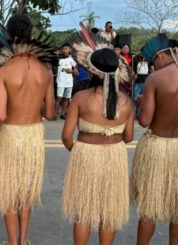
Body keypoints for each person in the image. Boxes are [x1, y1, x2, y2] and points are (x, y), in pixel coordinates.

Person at [0, 14, 56, 245]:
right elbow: (51, 114)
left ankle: (13, 243)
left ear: (9, 38)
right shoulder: (45, 71)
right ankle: (24, 241)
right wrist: (33, 101)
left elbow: (1, 115)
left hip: (11, 135)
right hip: (33, 134)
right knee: (26, 192)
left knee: (9, 191)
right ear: (31, 36)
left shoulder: (2, 71)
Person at [62, 31, 133, 244]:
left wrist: (80, 151)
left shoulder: (81, 98)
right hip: (115, 156)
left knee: (84, 210)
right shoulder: (127, 101)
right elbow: (128, 137)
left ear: (92, 70)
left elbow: (66, 136)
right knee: (108, 211)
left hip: (86, 155)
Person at [131, 33, 178, 245]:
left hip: (159, 147)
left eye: (152, 62)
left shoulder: (156, 78)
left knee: (149, 208)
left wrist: (141, 101)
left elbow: (144, 120)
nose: (152, 67)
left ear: (159, 56)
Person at [56, 45, 78, 119]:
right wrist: (73, 71)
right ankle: (55, 113)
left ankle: (63, 113)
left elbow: (75, 65)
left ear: (69, 51)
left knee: (66, 98)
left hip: (69, 82)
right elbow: (67, 70)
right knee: (59, 97)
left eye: (66, 49)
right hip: (61, 81)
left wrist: (75, 69)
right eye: (64, 49)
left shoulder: (71, 59)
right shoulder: (60, 59)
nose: (65, 50)